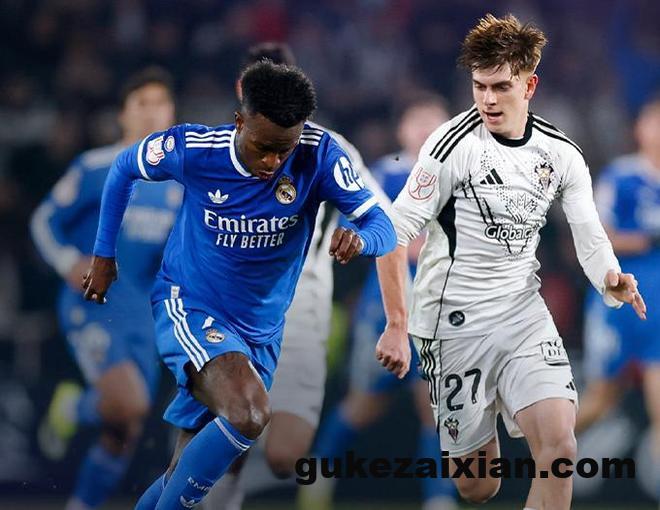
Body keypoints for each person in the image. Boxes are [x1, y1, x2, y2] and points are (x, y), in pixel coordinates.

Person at [82, 61, 396, 509]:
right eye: (263, 147)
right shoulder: (194, 149)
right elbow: (123, 168)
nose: (272, 162)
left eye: (283, 150)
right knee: (250, 414)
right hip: (192, 305)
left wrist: (362, 239)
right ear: (239, 121)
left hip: (261, 330)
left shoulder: (320, 154)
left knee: (182, 470)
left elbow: (383, 225)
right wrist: (103, 255)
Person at [374, 14, 646, 510]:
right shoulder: (450, 146)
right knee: (478, 485)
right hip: (454, 324)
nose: (488, 99)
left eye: (501, 86)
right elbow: (390, 235)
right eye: (479, 86)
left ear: (530, 85)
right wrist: (396, 324)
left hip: (523, 315)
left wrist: (610, 277)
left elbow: (589, 233)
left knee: (560, 447)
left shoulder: (561, 153)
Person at [203, 42, 391, 510]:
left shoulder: (329, 148)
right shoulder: (211, 149)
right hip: (230, 307)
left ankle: (209, 459)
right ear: (242, 91)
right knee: (234, 433)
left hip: (302, 307)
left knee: (286, 455)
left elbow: (383, 218)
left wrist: (361, 236)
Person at [30, 67, 180, 510]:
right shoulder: (96, 167)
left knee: (124, 430)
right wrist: (66, 261)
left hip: (142, 314)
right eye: (142, 103)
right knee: (129, 405)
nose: (152, 112)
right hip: (93, 303)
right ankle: (71, 407)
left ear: (172, 114)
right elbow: (44, 219)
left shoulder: (180, 184)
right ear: (123, 115)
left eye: (160, 103)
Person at [300, 95, 457, 510]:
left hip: (442, 309)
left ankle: (439, 498)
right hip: (386, 308)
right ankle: (318, 478)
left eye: (434, 121)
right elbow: (364, 231)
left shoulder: (460, 176)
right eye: (416, 120)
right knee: (363, 406)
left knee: (435, 406)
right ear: (401, 130)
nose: (425, 129)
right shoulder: (386, 174)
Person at [577, 96, 660, 501]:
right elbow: (595, 235)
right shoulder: (621, 176)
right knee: (600, 401)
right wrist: (646, 239)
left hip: (659, 313)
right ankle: (537, 452)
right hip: (619, 308)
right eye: (654, 121)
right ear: (638, 128)